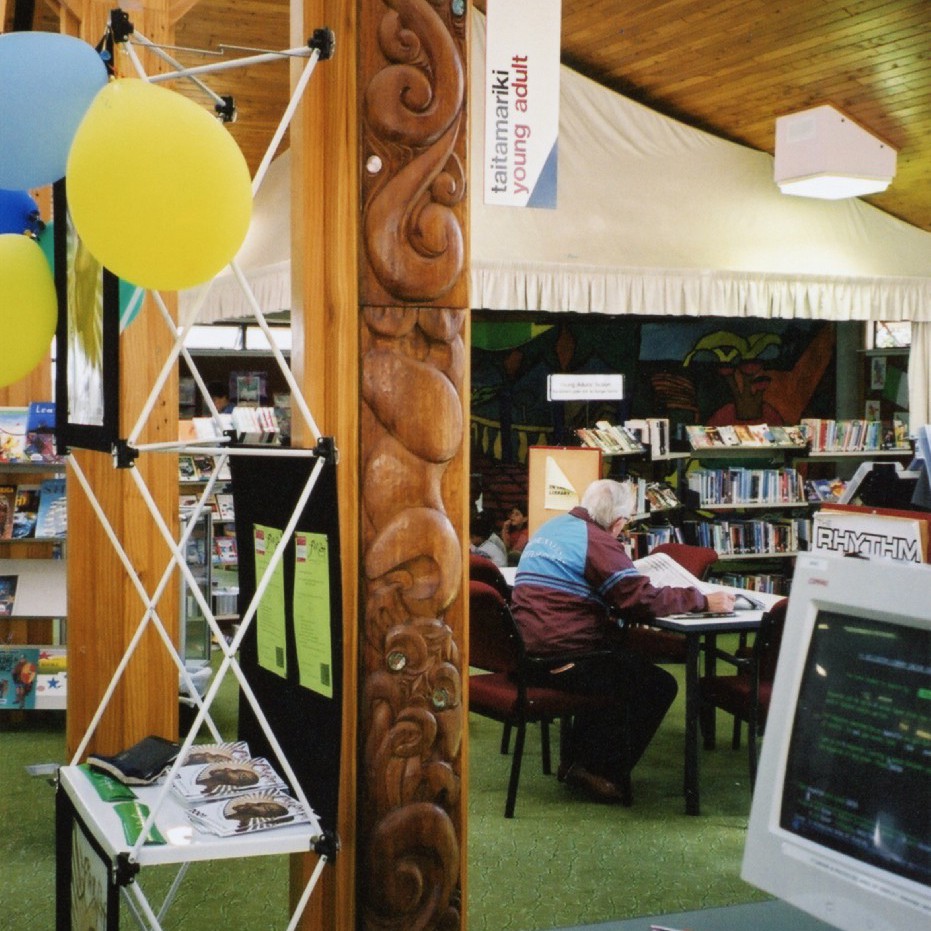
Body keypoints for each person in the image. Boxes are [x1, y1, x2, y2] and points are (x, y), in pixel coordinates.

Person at [510, 478, 734, 802]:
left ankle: (576, 763)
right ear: (618, 522)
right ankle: (600, 770)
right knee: (656, 685)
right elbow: (640, 600)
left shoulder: (552, 527)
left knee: (617, 665)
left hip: (526, 654)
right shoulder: (597, 541)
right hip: (564, 657)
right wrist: (703, 600)